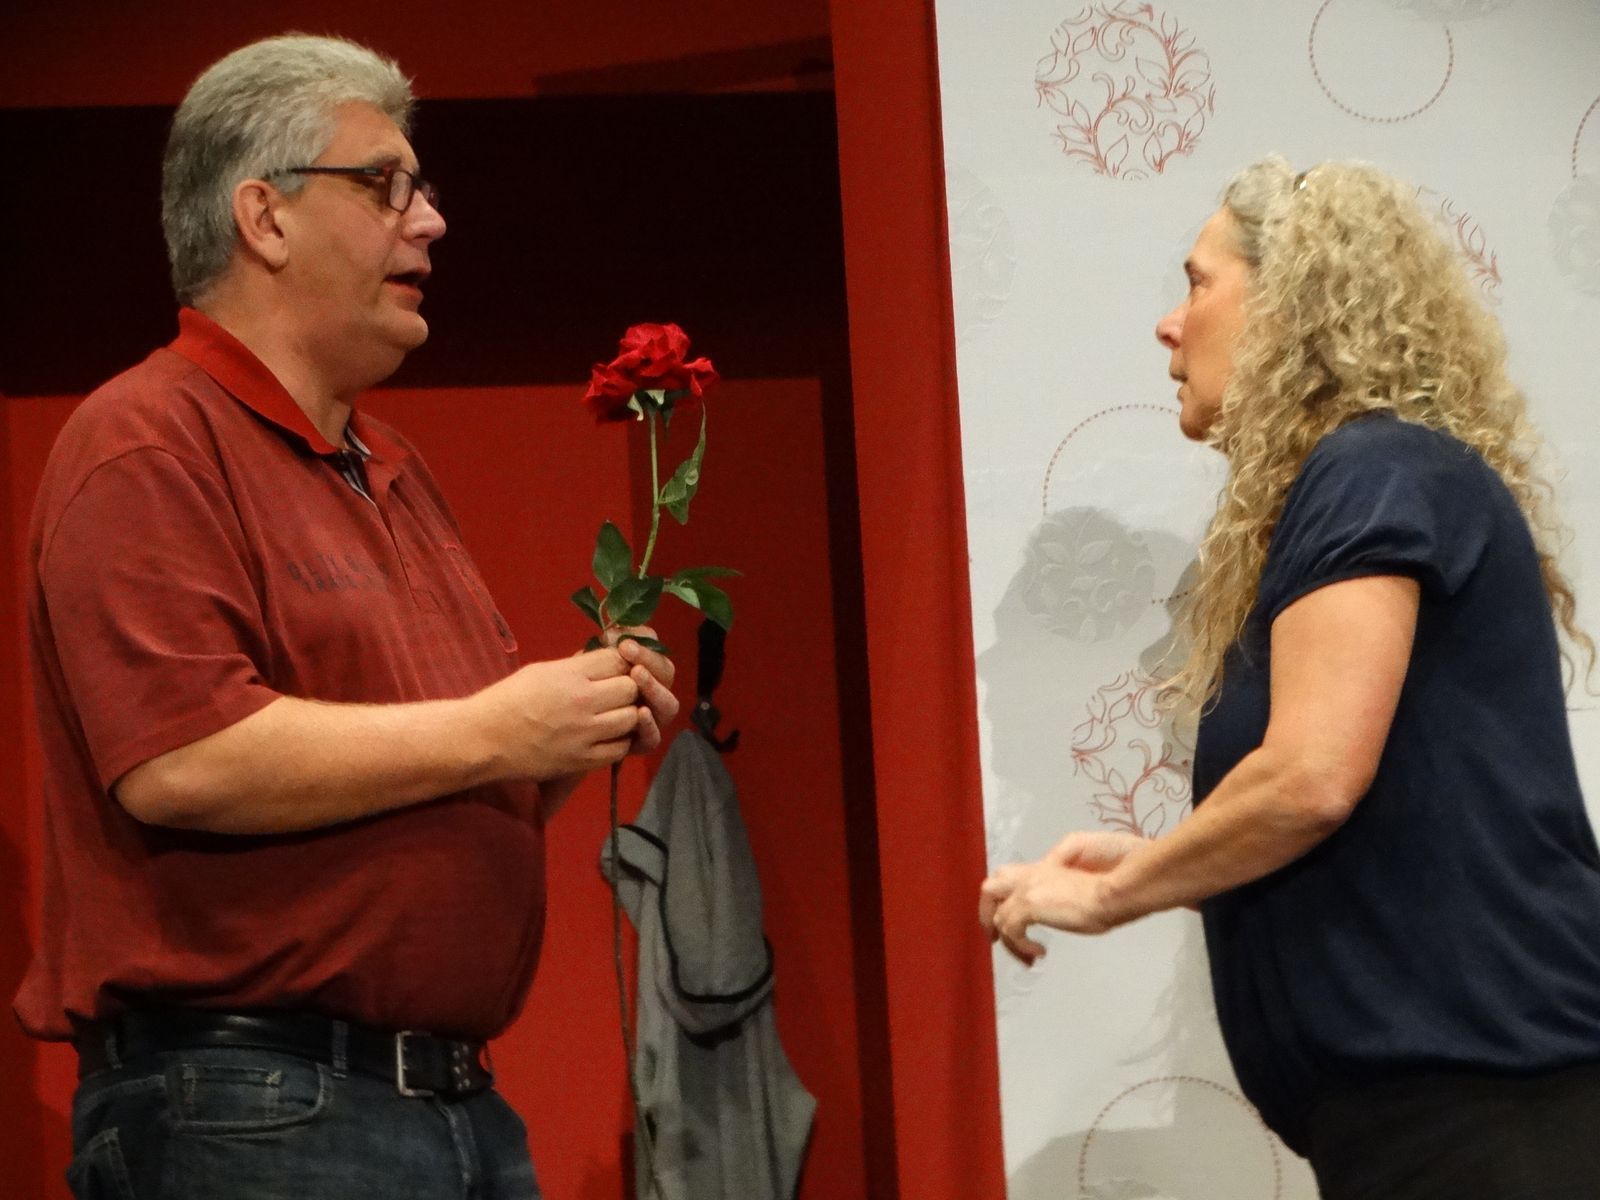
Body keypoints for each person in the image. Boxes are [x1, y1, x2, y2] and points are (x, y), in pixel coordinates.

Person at [18, 34, 678, 1200]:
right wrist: (500, 729)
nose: (430, 222)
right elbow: (180, 761)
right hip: (253, 1109)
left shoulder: (391, 466)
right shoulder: (147, 440)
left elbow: (439, 767)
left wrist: (567, 733)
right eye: (384, 185)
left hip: (447, 1105)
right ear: (263, 217)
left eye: (420, 187)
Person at [979, 156, 1600, 1198]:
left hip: (1493, 1123)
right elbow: (1389, 832)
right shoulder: (1370, 478)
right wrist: (1167, 860)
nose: (1168, 325)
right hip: (1446, 1126)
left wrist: (1118, 894)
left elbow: (1311, 778)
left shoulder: (1372, 471)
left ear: (1289, 300)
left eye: (1196, 282)